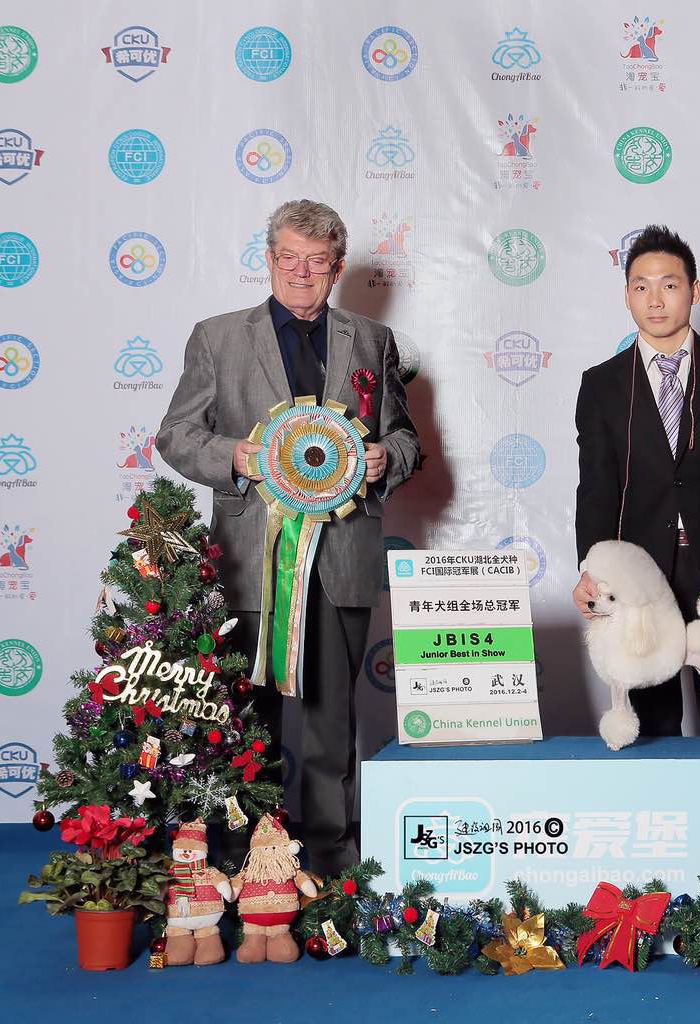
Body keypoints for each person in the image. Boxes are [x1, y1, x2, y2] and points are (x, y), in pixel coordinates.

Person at [158, 199, 420, 875]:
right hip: (253, 559)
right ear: (269, 259)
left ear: (337, 268)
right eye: (290, 258)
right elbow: (176, 434)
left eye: (317, 261)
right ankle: (243, 858)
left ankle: (332, 860)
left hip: (343, 555)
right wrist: (236, 457)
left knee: (334, 722)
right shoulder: (218, 337)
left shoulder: (373, 340)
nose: (302, 272)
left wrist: (386, 457)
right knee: (248, 721)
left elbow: (405, 436)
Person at [573, 225, 700, 736]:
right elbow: (595, 487)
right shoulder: (601, 384)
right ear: (627, 295)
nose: (655, 300)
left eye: (669, 284)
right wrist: (592, 569)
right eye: (641, 286)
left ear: (694, 290)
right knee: (651, 722)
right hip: (638, 576)